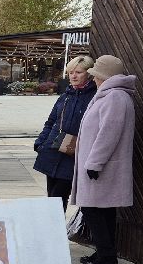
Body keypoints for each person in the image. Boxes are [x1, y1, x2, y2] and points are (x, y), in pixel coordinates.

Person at [72, 54, 136, 264]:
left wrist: (95, 163)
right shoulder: (109, 95)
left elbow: (108, 133)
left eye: (97, 76)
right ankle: (103, 252)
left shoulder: (115, 97)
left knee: (94, 210)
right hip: (100, 166)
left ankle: (107, 257)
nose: (94, 79)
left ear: (106, 77)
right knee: (101, 210)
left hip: (102, 168)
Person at [32, 56, 98, 204]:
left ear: (88, 73)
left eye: (78, 72)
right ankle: (55, 227)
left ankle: (56, 227)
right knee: (52, 199)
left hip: (73, 155)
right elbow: (51, 122)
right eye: (71, 72)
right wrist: (40, 143)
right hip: (53, 150)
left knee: (59, 197)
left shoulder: (94, 97)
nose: (74, 76)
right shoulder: (65, 96)